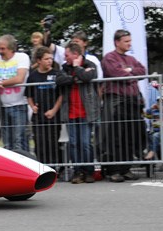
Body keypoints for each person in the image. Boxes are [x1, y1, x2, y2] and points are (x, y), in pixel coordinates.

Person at [101, 29, 147, 182]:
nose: (129, 44)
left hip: (132, 101)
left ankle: (126, 168)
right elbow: (117, 74)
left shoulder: (132, 59)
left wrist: (129, 71)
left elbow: (142, 70)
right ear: (117, 42)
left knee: (130, 135)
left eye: (130, 41)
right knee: (115, 136)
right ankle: (114, 170)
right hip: (116, 101)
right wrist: (130, 74)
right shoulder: (109, 57)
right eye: (126, 41)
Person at [56, 42, 99, 183]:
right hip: (70, 111)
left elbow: (88, 77)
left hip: (86, 111)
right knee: (74, 143)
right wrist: (75, 78)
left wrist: (76, 67)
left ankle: (88, 171)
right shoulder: (63, 67)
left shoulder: (90, 64)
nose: (64, 57)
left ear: (75, 54)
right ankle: (77, 171)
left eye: (67, 55)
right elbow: (59, 80)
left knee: (85, 143)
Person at [0, 34, 31, 151]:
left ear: (11, 48)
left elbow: (19, 78)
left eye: (3, 49)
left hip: (19, 104)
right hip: (3, 106)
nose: (0, 51)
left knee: (19, 140)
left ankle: (23, 166)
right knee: (7, 141)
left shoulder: (22, 57)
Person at [26, 46, 63, 165]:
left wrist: (54, 110)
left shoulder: (57, 73)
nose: (49, 61)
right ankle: (42, 166)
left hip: (53, 116)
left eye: (51, 58)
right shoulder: (33, 76)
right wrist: (32, 106)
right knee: (40, 143)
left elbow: (61, 95)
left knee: (53, 143)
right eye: (46, 59)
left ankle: (55, 167)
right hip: (39, 117)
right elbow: (28, 94)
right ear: (39, 61)